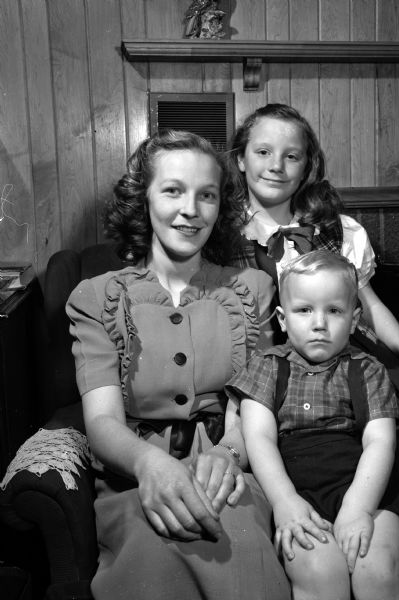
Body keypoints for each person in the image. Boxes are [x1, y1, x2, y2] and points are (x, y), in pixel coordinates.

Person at [227, 102, 399, 540]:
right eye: (263, 152)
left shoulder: (337, 230)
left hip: (350, 361)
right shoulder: (221, 234)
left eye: (292, 155)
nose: (276, 166)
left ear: (307, 167)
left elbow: (371, 307)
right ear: (241, 159)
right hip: (277, 371)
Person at [65, 130, 291, 600]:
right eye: (172, 190)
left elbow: (254, 404)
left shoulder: (251, 290)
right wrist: (149, 465)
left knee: (245, 569)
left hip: (227, 474)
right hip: (134, 480)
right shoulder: (97, 298)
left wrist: (229, 454)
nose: (191, 210)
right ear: (141, 199)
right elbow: (102, 421)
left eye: (206, 195)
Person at [226, 250, 399, 600]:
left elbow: (379, 443)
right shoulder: (266, 365)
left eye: (333, 310)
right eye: (304, 310)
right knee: (320, 572)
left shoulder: (368, 369)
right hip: (297, 490)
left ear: (354, 318)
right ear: (283, 319)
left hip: (367, 487)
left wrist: (359, 508)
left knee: (380, 572)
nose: (319, 323)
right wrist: (285, 503)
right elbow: (259, 438)